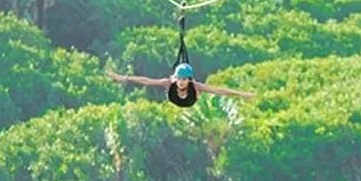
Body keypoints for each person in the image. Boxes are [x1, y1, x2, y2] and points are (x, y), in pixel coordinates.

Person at [107, 62, 255, 108]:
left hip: (189, 101)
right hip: (174, 99)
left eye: (185, 79)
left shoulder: (195, 86)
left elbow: (218, 90)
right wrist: (124, 78)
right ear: (176, 78)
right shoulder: (169, 83)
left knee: (201, 90)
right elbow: (146, 80)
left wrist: (242, 95)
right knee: (161, 83)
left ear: (189, 79)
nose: (182, 82)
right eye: (180, 79)